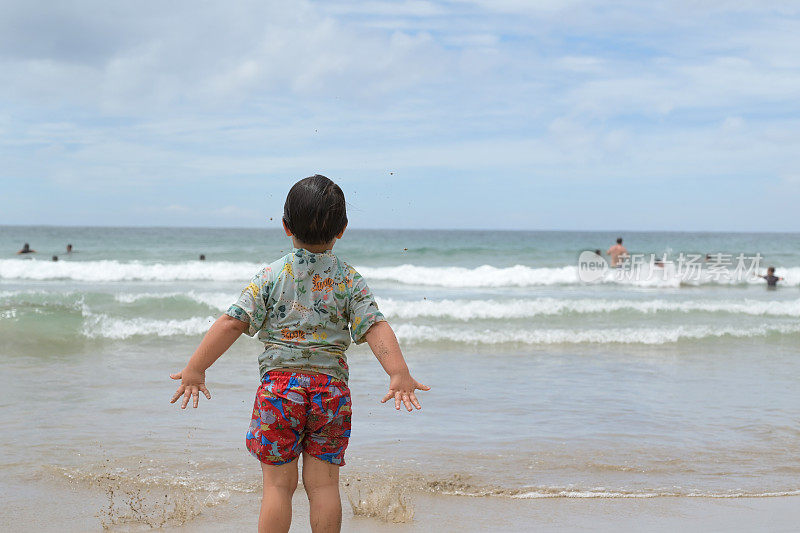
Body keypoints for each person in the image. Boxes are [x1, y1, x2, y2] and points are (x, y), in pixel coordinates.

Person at [169, 175, 429, 533]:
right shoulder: (349, 279)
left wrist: (196, 368)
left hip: (279, 392)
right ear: (343, 230)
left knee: (278, 486)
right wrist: (397, 372)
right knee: (323, 486)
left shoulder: (272, 276)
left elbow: (232, 322)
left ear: (285, 226)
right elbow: (375, 326)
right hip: (329, 393)